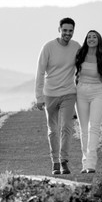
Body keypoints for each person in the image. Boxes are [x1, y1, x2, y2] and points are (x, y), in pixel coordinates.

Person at [34, 17, 80, 175]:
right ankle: (55, 162)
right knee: (53, 130)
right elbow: (40, 72)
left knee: (66, 127)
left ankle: (64, 161)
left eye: (70, 31)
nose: (67, 33)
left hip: (69, 93)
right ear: (59, 30)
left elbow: (84, 66)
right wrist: (39, 96)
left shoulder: (76, 47)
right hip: (50, 94)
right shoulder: (48, 47)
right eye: (65, 30)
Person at [74, 30, 102, 173]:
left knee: (94, 128)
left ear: (99, 40)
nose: (91, 39)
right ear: (86, 40)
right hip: (80, 92)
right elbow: (71, 74)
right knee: (83, 129)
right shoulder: (80, 55)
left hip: (98, 92)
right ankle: (85, 162)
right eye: (89, 37)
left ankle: (91, 164)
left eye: (94, 37)